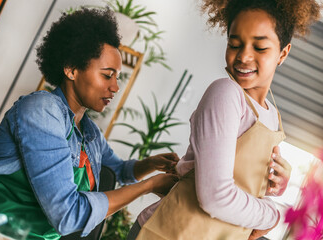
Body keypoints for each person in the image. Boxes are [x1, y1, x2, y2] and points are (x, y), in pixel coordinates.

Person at [0, 7, 179, 240]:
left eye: (118, 77)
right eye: (107, 75)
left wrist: (151, 164)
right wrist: (149, 186)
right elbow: (67, 215)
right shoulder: (42, 110)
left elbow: (119, 171)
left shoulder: (89, 133)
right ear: (71, 69)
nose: (115, 87)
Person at [128, 0, 321, 239]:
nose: (243, 56)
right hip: (170, 232)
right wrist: (273, 214)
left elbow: (243, 186)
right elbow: (215, 196)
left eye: (259, 48)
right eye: (234, 44)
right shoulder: (226, 93)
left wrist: (274, 187)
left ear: (282, 53)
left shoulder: (272, 116)